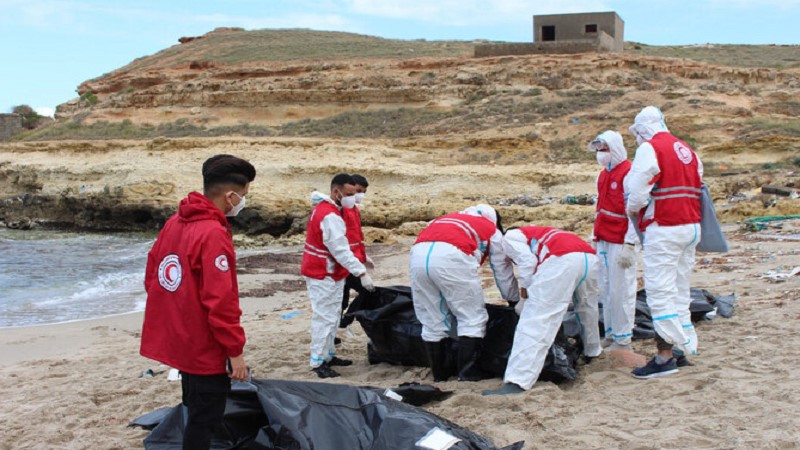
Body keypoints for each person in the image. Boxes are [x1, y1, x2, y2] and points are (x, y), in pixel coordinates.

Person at [140, 154, 255, 450]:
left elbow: (153, 275)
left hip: (181, 336)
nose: (243, 201)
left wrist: (175, 314)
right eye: (243, 196)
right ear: (230, 195)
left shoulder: (175, 222)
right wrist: (235, 352)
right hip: (203, 343)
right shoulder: (212, 233)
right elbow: (221, 301)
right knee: (206, 416)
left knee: (194, 404)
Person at [626, 105, 703, 379]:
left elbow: (636, 190)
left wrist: (634, 210)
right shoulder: (687, 150)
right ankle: (683, 349)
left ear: (643, 128)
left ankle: (664, 357)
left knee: (660, 292)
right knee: (681, 290)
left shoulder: (651, 148)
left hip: (666, 227)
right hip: (691, 226)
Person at [483, 226, 602, 395]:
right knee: (587, 308)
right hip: (588, 258)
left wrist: (524, 296)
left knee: (536, 320)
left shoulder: (508, 238)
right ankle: (592, 351)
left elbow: (527, 263)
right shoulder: (543, 233)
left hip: (560, 259)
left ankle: (518, 381)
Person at [409, 204, 518, 382]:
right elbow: (502, 271)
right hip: (453, 259)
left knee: (432, 317)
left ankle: (440, 373)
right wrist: (512, 299)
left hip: (417, 258)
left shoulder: (442, 220)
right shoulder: (490, 229)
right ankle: (468, 372)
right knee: (471, 316)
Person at [302, 173, 375, 378]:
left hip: (330, 271)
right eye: (350, 194)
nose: (353, 198)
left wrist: (361, 259)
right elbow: (339, 249)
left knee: (332, 314)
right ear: (336, 192)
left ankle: (328, 354)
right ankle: (318, 360)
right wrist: (361, 272)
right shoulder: (330, 215)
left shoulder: (329, 210)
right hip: (323, 271)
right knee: (325, 317)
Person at [589, 131, 639, 351]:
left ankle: (623, 338)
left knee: (622, 289)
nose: (601, 154)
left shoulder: (628, 174)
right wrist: (594, 235)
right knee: (606, 287)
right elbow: (600, 207)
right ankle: (610, 332)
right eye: (599, 150)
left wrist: (630, 243)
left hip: (620, 238)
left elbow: (634, 212)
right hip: (604, 237)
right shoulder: (602, 176)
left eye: (605, 150)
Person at [338, 174, 374, 331]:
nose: (360, 196)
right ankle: (342, 322)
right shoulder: (339, 211)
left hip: (353, 261)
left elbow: (357, 236)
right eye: (357, 191)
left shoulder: (354, 210)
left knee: (364, 293)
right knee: (343, 299)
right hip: (344, 263)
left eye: (362, 192)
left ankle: (344, 321)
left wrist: (364, 256)